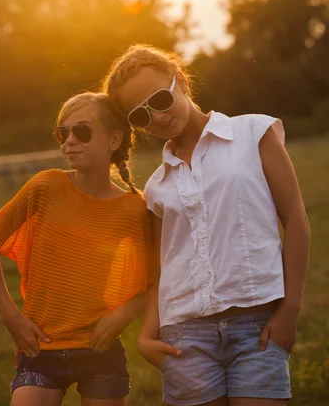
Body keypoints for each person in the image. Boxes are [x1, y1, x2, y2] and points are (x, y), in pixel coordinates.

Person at [102, 44, 310, 406]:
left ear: (180, 81)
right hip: (185, 334)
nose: (158, 117)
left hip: (258, 326)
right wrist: (147, 335)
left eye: (161, 99)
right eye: (141, 115)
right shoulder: (156, 187)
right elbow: (160, 267)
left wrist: (289, 309)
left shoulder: (253, 133)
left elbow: (296, 222)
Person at [0, 92, 155, 406]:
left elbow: (157, 281)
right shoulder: (45, 186)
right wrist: (11, 318)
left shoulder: (135, 210)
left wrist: (123, 315)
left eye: (81, 131)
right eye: (62, 133)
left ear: (114, 139)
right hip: (40, 351)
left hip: (101, 353)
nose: (69, 141)